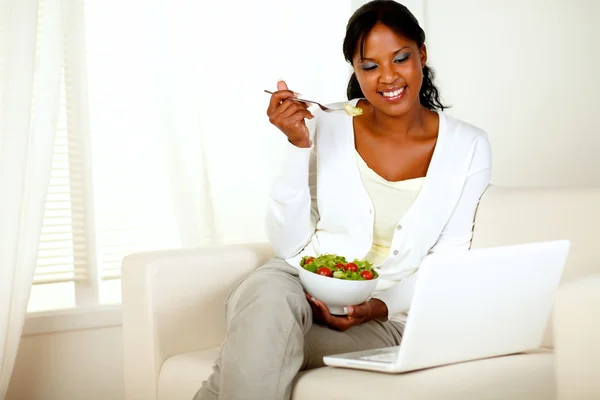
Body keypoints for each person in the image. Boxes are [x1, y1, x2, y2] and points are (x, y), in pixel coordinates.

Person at [194, 0, 491, 399]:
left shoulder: (469, 146)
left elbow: (448, 262)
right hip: (291, 285)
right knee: (267, 313)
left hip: (383, 319)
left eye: (400, 59)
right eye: (370, 66)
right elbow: (288, 245)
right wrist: (299, 147)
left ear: (422, 54)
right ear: (355, 69)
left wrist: (378, 307)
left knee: (258, 348)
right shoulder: (326, 124)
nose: (388, 77)